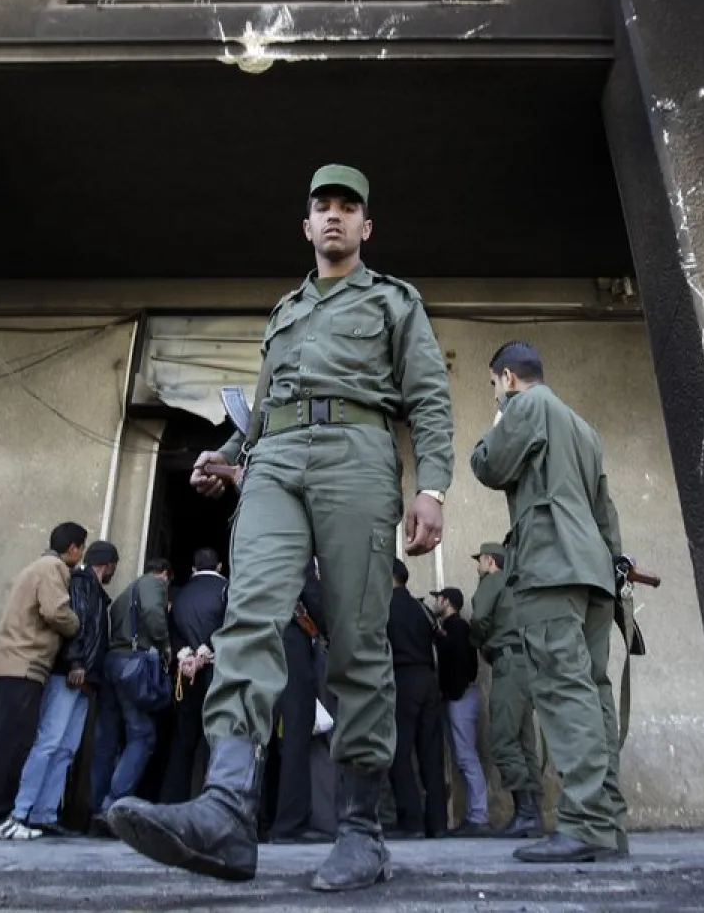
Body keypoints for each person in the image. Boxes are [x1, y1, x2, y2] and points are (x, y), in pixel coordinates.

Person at [108, 164, 453, 893]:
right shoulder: (285, 311)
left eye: (348, 207)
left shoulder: (394, 301)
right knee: (249, 616)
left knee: (357, 639)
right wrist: (228, 455)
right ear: (306, 225)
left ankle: (361, 831)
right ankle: (227, 811)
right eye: (322, 206)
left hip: (357, 455)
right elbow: (264, 409)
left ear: (365, 226)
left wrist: (432, 488)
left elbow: (428, 397)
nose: (334, 216)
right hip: (273, 463)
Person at [469, 341, 626, 863]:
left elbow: (488, 465)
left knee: (562, 690)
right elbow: (605, 510)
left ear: (508, 377)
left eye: (494, 386)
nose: (495, 395)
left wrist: (498, 419)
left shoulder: (528, 405)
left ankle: (583, 825)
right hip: (593, 572)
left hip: (551, 565)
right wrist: (613, 564)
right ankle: (608, 824)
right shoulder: (582, 427)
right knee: (593, 691)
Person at [0, 522, 85, 840]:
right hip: (24, 665)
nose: (81, 555)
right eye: (81, 549)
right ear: (73, 548)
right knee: (14, 742)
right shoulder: (53, 568)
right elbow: (55, 611)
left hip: (5, 665)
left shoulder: (33, 567)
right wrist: (77, 623)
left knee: (0, 739)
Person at [13, 539, 118, 835]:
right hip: (71, 676)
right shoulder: (83, 585)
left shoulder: (93, 590)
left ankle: (43, 814)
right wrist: (75, 663)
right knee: (50, 742)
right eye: (113, 566)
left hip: (84, 680)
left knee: (65, 749)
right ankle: (21, 811)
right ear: (107, 564)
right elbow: (76, 626)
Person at [469, 540, 544, 838]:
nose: (478, 567)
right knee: (524, 742)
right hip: (528, 664)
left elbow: (479, 618)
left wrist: (477, 642)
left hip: (508, 664)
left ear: (490, 561)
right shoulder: (520, 585)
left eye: (480, 561)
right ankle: (534, 814)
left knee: (503, 739)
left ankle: (525, 813)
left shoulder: (493, 580)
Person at [91, 557, 171, 821]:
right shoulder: (154, 584)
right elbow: (153, 614)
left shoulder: (125, 593)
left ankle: (95, 805)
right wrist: (165, 644)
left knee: (107, 738)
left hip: (112, 661)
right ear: (164, 574)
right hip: (133, 665)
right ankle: (112, 805)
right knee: (143, 735)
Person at [269, 560, 333, 845]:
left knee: (257, 735)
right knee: (296, 734)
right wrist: (332, 630)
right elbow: (313, 597)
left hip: (256, 643)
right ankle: (289, 823)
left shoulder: (256, 549)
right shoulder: (296, 551)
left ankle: (255, 817)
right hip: (289, 645)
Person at [386, 561, 448, 840]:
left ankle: (411, 821)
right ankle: (438, 823)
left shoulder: (383, 606)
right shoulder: (422, 608)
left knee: (399, 753)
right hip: (428, 679)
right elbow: (439, 637)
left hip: (402, 680)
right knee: (431, 754)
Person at [162, 547, 229, 803]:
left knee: (183, 741)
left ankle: (173, 800)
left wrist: (186, 655)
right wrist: (206, 652)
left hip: (185, 673)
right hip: (217, 672)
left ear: (193, 568)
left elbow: (169, 629)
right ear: (220, 567)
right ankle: (213, 800)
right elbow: (231, 627)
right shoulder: (227, 590)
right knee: (217, 740)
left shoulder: (179, 594)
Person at [429, 585, 490, 836]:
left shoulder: (457, 628)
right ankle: (475, 815)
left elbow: (462, 664)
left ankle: (479, 815)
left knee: (466, 757)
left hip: (460, 699)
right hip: (457, 698)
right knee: (463, 757)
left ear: (446, 602)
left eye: (438, 599)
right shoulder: (450, 628)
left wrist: (453, 693)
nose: (435, 603)